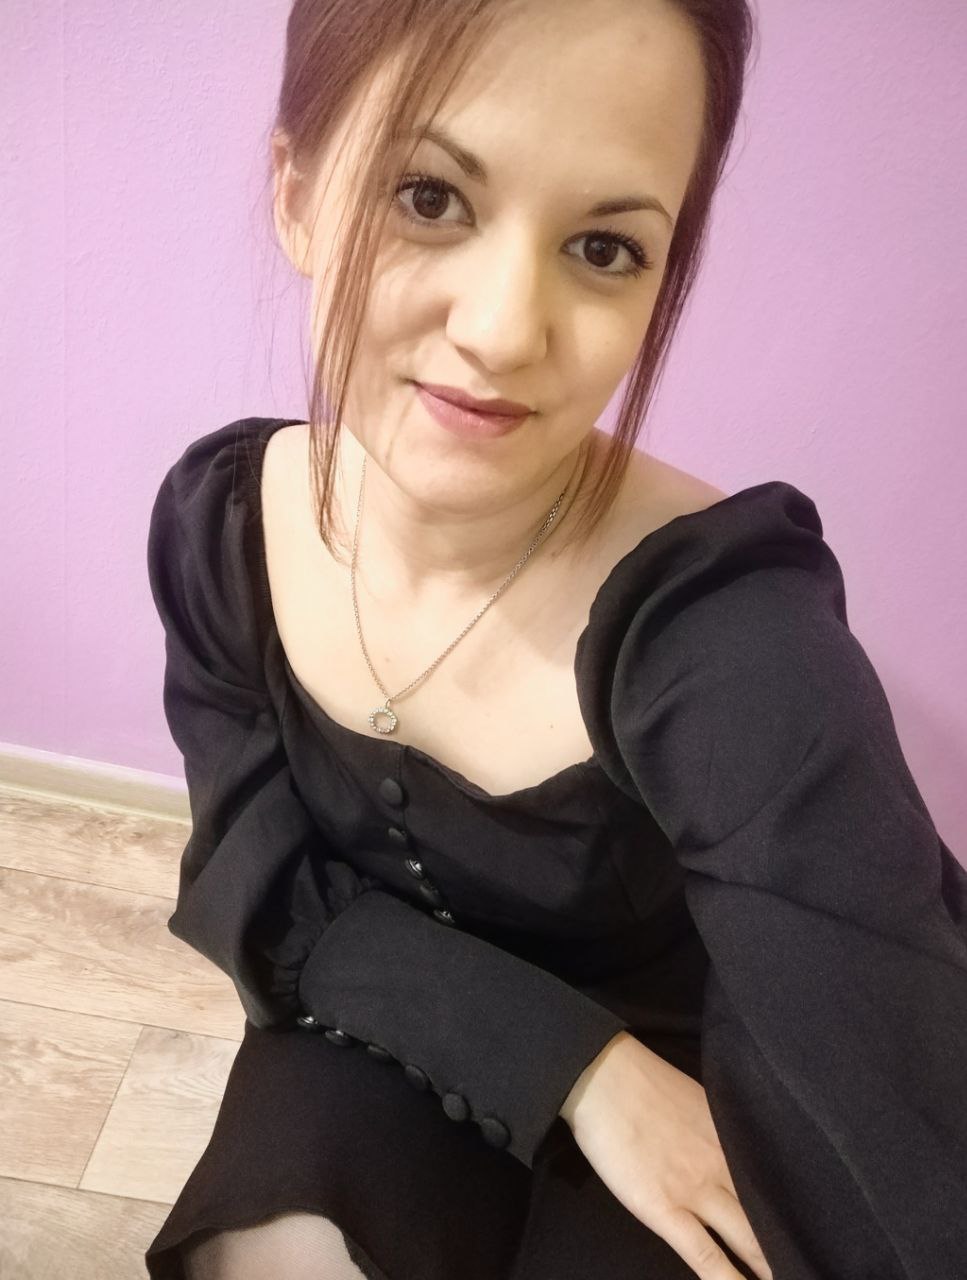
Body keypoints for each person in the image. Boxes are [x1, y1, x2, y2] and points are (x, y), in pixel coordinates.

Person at [144, 1, 967, 1278]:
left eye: (602, 245)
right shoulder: (225, 528)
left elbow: (896, 1116)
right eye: (428, 196)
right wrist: (576, 1064)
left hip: (706, 1092)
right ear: (297, 197)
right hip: (393, 1011)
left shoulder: (727, 633)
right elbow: (260, 889)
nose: (504, 331)